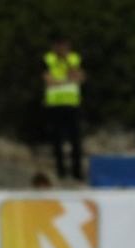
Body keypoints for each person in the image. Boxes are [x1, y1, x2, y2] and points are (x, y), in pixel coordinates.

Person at [43, 35, 85, 181]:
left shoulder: (74, 58)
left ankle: (77, 173)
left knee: (76, 140)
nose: (62, 49)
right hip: (55, 104)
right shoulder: (48, 59)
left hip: (72, 104)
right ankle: (61, 172)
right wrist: (68, 80)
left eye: (65, 45)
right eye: (59, 45)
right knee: (57, 140)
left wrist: (66, 69)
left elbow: (80, 77)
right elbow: (49, 81)